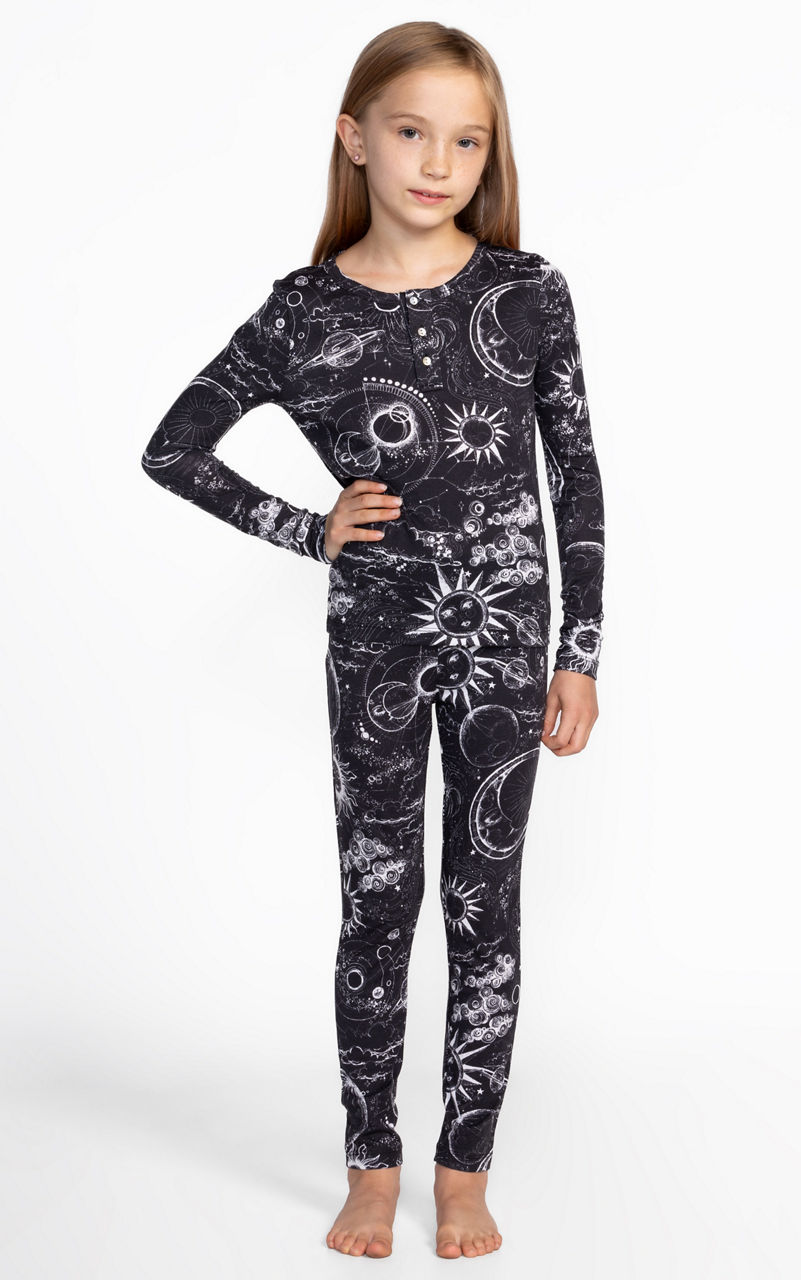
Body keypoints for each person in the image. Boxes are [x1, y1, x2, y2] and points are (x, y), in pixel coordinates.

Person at [140, 19, 605, 1261]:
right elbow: (173, 447)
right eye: (410, 132)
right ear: (354, 139)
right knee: (377, 903)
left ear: (490, 154)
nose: (437, 162)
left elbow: (574, 475)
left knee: (483, 903)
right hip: (375, 647)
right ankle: (370, 1165)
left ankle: (462, 1171)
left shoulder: (526, 292)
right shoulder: (302, 314)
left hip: (505, 641)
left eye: (467, 140)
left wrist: (577, 650)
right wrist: (307, 527)